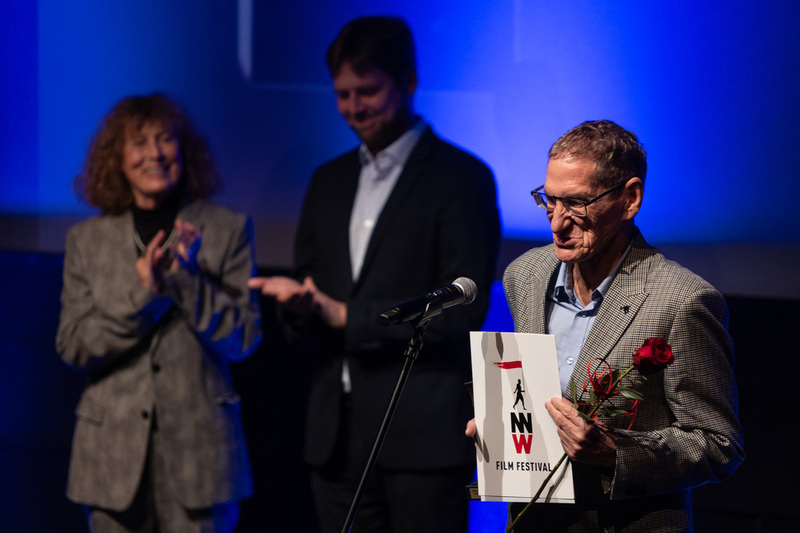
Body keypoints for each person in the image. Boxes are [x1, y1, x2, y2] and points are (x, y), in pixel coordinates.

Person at [248, 16, 500, 533]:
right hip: (335, 436)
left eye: (367, 91)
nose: (353, 107)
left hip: (421, 439)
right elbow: (312, 290)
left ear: (407, 82)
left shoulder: (461, 178)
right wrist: (300, 311)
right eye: (343, 94)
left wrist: (347, 316)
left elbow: (464, 309)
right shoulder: (328, 181)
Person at [467, 120, 744, 532]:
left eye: (577, 204)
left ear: (630, 199)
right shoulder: (525, 274)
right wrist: (499, 425)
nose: (557, 222)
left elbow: (719, 446)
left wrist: (614, 450)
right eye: (550, 200)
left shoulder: (682, 300)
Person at [56, 94, 262, 533]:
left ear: (184, 150)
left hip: (202, 461)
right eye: (139, 142)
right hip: (109, 460)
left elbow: (243, 338)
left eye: (165, 139)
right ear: (117, 158)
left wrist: (184, 280)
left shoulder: (226, 229)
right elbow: (73, 345)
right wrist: (148, 294)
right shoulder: (87, 241)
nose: (154, 153)